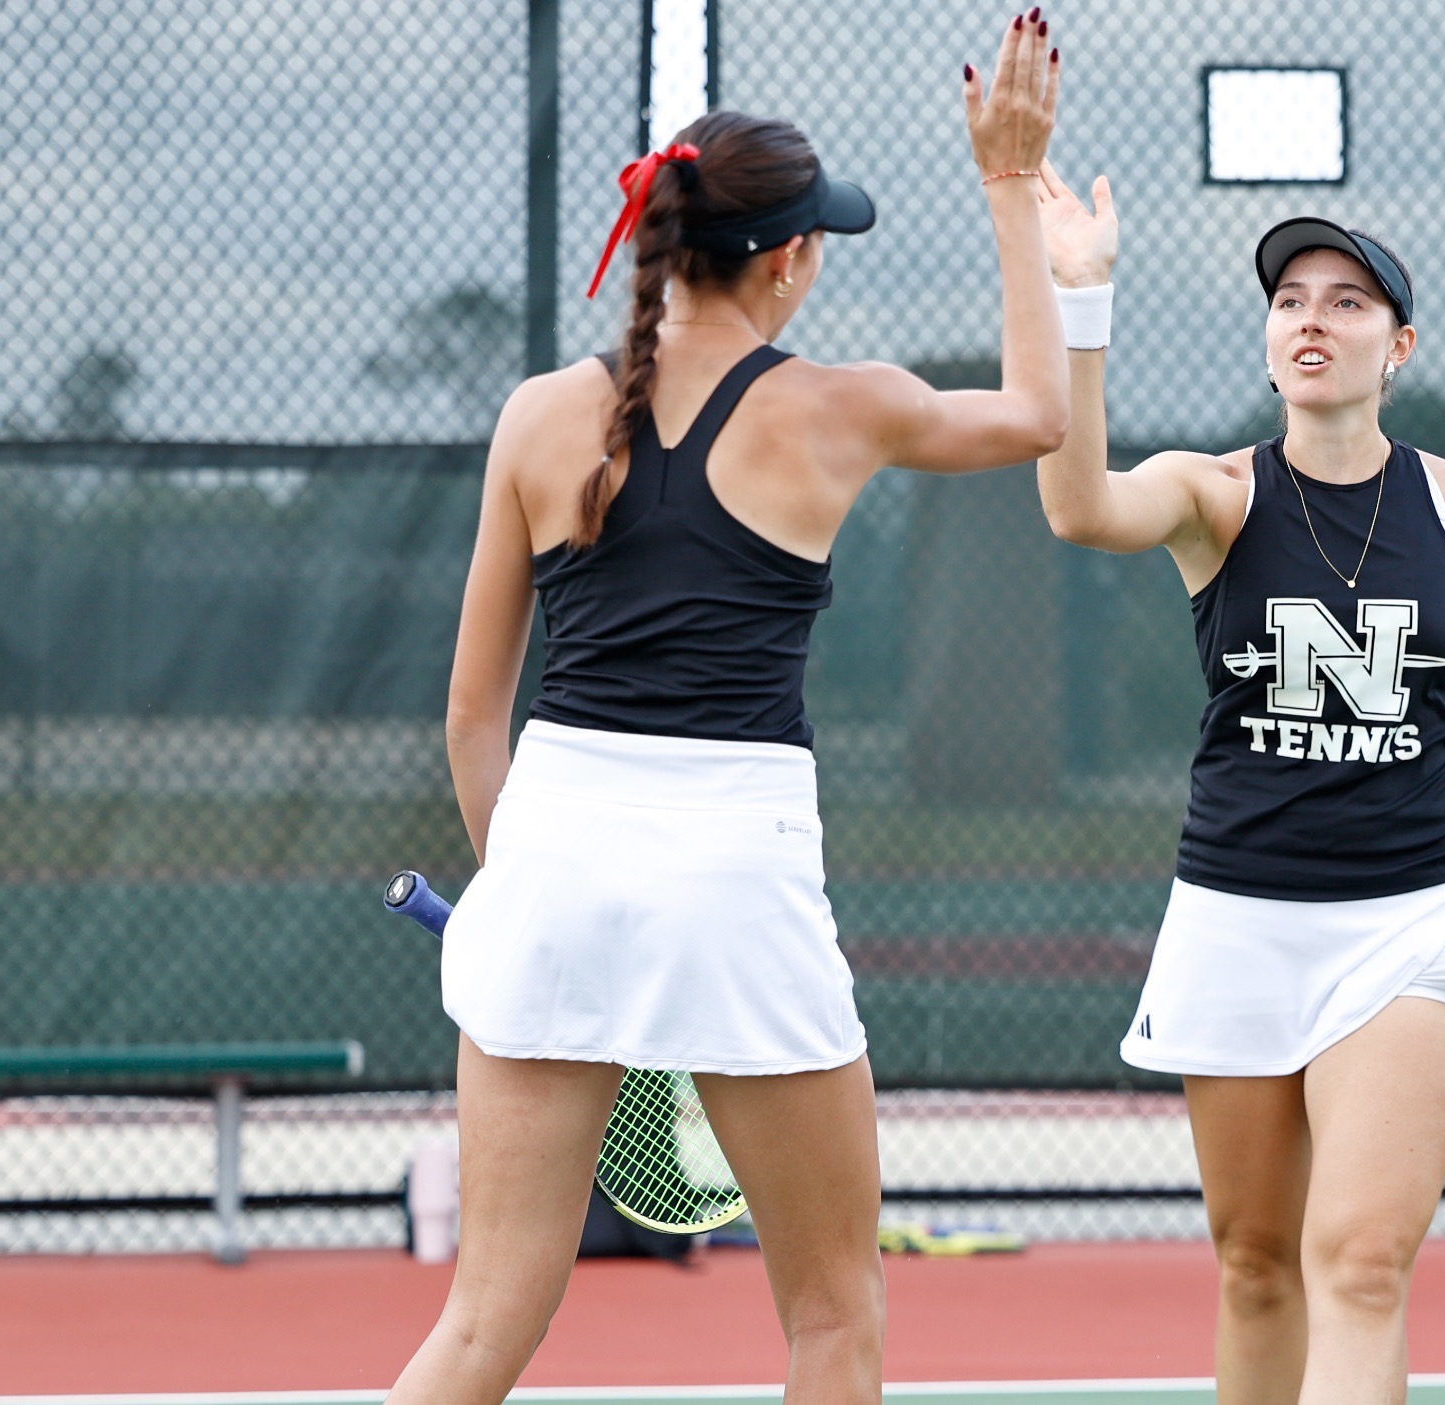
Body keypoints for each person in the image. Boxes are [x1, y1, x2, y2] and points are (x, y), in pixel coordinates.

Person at [388, 16, 1067, 1404]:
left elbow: (472, 717)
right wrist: (1009, 181)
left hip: (555, 853)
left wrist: (524, 892)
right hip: (736, 866)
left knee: (479, 1328)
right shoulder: (840, 408)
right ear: (791, 259)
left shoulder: (534, 417)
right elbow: (1041, 414)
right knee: (834, 1317)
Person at [1030, 175, 1445, 1402]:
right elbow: (1075, 507)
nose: (1312, 319)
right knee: (1258, 1265)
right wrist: (1082, 297)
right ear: (1270, 340)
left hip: (1411, 925)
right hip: (1235, 921)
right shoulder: (1212, 495)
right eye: (1288, 300)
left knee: (1362, 1260)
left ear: (1401, 346)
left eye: (1347, 300)